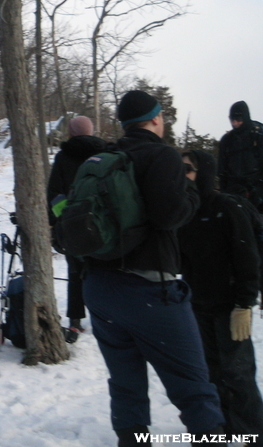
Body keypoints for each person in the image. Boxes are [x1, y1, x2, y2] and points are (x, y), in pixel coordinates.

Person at [80, 90, 225, 446]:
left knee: (126, 385)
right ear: (157, 119)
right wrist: (191, 190)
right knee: (194, 388)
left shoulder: (105, 157)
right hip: (148, 291)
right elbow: (169, 216)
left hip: (100, 288)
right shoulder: (162, 156)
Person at [178, 149, 263, 436]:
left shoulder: (227, 208)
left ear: (204, 173)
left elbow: (247, 257)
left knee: (237, 373)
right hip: (199, 306)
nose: (184, 175)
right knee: (210, 372)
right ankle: (224, 427)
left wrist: (245, 303)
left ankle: (252, 433)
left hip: (230, 306)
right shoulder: (185, 212)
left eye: (188, 169)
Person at [46, 115, 106, 343]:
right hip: (100, 223)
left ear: (71, 132)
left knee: (75, 272)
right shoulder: (105, 154)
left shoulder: (63, 156)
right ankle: (103, 317)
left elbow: (54, 192)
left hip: (73, 224)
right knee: (100, 270)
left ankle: (75, 320)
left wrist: (63, 218)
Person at [218, 101, 263, 212]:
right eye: (232, 120)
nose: (235, 123)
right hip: (234, 192)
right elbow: (222, 170)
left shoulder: (258, 135)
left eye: (238, 120)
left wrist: (257, 189)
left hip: (257, 190)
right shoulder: (227, 140)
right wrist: (225, 192)